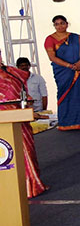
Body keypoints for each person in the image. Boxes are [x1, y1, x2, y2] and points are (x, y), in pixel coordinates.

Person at [0, 49, 47, 197]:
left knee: (27, 152)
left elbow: (24, 91)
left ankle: (30, 185)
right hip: (3, 124)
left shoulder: (12, 72)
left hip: (19, 119)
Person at [43, 15, 80, 130]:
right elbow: (52, 57)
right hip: (63, 72)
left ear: (67, 24)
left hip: (79, 69)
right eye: (57, 24)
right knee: (65, 94)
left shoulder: (76, 37)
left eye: (62, 23)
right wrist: (69, 66)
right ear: (54, 26)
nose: (60, 26)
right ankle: (67, 122)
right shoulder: (50, 39)